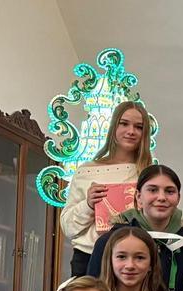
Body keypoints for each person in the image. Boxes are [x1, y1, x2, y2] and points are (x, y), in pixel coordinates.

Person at [87, 164, 183, 291]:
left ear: (178, 198)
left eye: (169, 191)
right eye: (153, 190)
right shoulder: (110, 241)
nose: (161, 197)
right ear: (138, 197)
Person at [62, 101, 154, 277]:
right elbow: (68, 227)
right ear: (114, 127)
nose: (131, 131)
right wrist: (88, 205)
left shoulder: (148, 174)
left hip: (133, 260)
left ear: (145, 133)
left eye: (139, 127)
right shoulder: (86, 171)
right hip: (88, 258)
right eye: (124, 123)